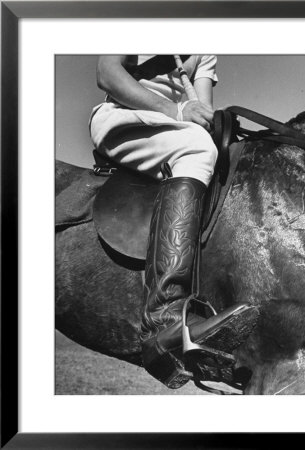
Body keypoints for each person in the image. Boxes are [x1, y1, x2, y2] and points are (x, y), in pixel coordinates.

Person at [89, 55, 251, 388]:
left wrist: (207, 119)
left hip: (173, 130)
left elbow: (200, 105)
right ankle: (163, 318)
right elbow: (107, 73)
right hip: (124, 120)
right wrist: (176, 111)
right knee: (198, 150)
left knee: (220, 158)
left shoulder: (204, 50)